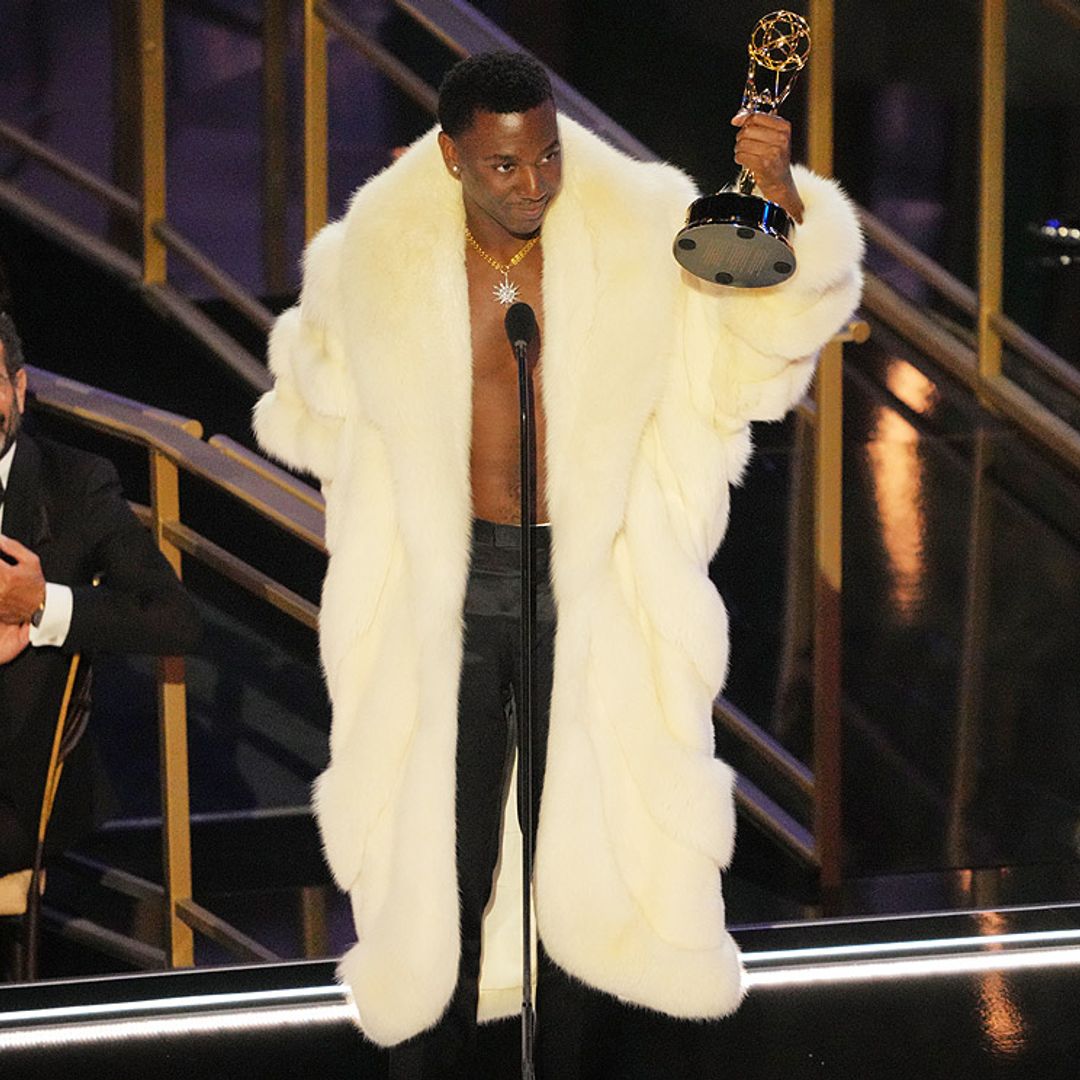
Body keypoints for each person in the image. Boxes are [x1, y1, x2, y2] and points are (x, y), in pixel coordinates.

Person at [254, 51, 863, 1074]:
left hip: (593, 594)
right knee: (433, 881)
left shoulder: (634, 234)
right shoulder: (380, 259)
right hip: (443, 605)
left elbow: (749, 355)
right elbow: (311, 416)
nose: (533, 184)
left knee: (585, 869)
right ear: (450, 157)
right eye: (502, 167)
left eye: (546, 157)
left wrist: (778, 203)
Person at [0, 310, 202, 885]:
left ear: (18, 387)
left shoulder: (74, 483)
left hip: (18, 787)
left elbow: (175, 621)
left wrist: (42, 606)